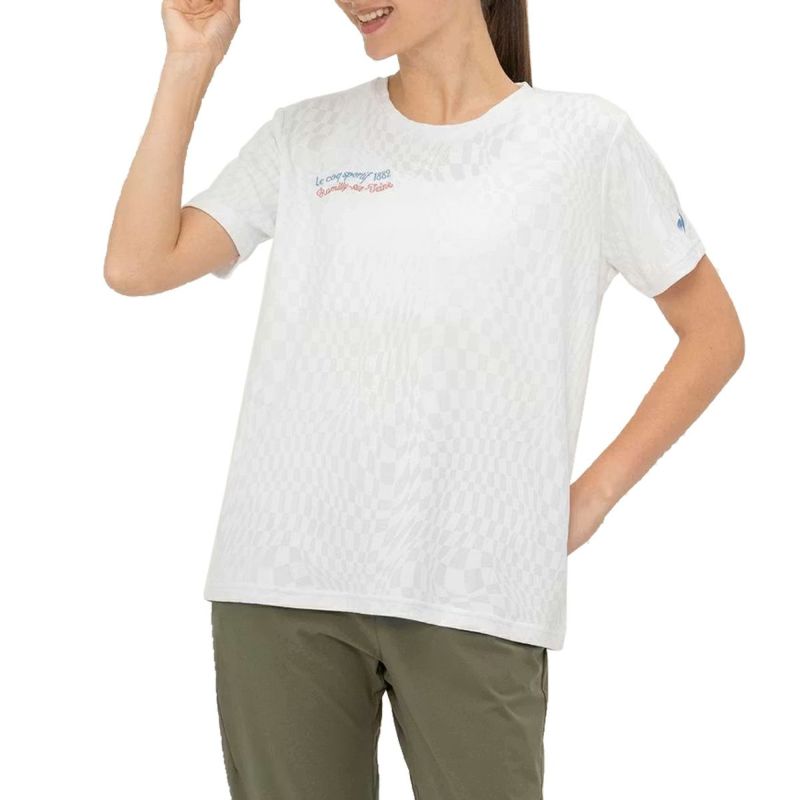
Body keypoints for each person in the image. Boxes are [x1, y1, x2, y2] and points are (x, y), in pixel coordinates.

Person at [103, 1, 745, 797]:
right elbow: (137, 264)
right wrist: (190, 61)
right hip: (281, 587)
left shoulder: (586, 141)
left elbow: (713, 335)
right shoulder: (305, 136)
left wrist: (591, 498)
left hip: (479, 590)